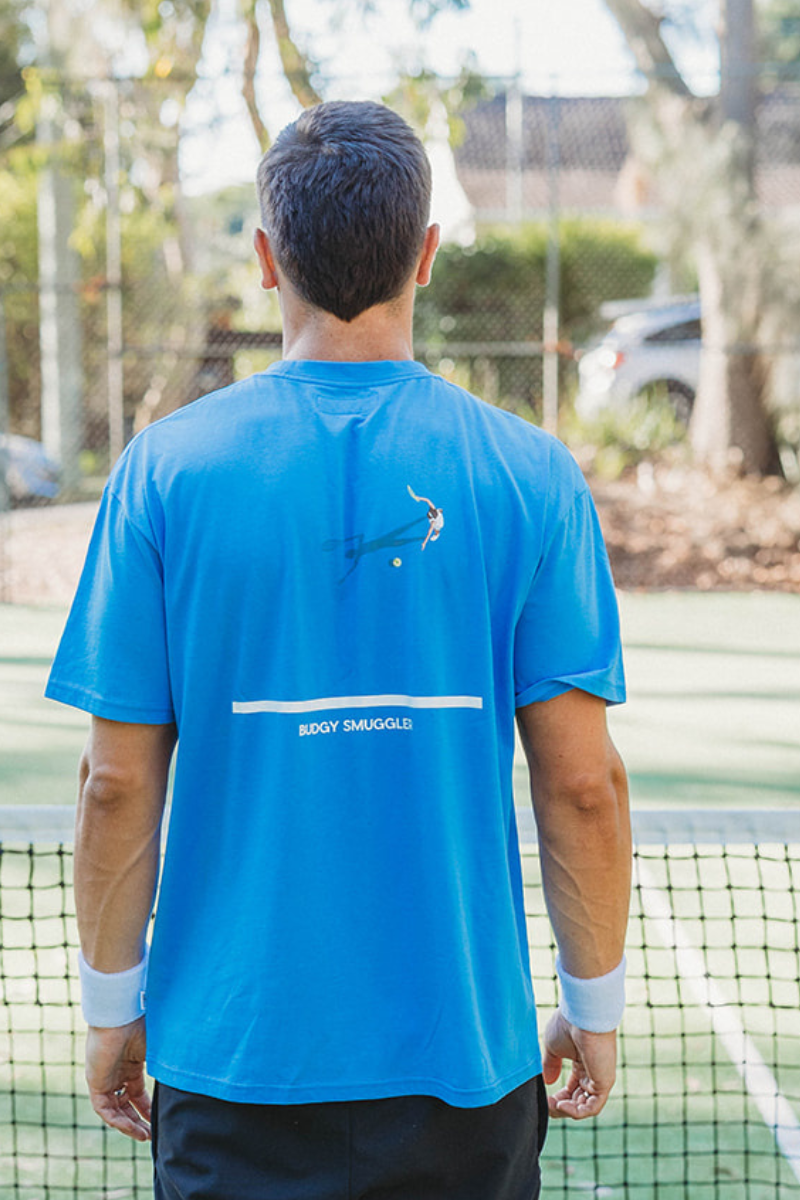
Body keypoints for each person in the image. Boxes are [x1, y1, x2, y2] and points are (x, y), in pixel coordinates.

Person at [46, 100, 631, 1200]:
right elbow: (583, 785)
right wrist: (592, 1006)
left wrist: (111, 1005)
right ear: (426, 254)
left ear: (266, 258)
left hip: (229, 1068)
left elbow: (115, 784)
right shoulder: (532, 474)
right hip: (466, 1074)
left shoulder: (163, 472)